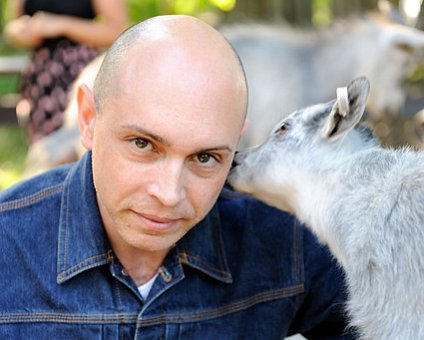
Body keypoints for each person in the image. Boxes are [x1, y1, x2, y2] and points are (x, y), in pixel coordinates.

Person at [0, 15, 357, 338]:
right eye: (142, 144)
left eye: (205, 157)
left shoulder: (284, 241)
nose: (169, 194)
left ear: (236, 143)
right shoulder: (8, 244)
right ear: (89, 117)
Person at [3, 0, 128, 143]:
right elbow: (12, 27)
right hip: (41, 81)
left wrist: (61, 25)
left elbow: (116, 30)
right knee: (46, 154)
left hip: (80, 77)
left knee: (78, 146)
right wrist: (22, 31)